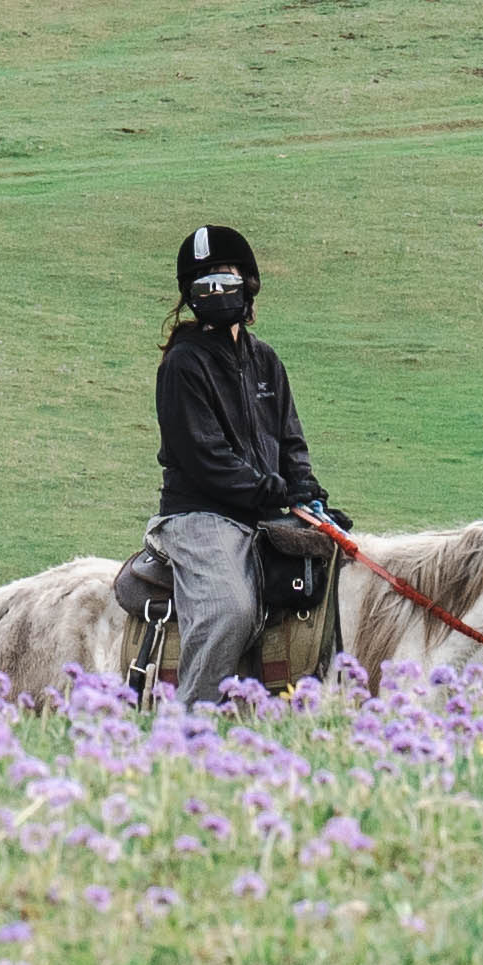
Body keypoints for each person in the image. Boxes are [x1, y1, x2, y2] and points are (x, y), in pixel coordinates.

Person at [143, 221, 336, 698]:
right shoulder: (182, 365)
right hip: (202, 517)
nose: (215, 291)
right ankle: (188, 723)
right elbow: (207, 457)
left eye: (224, 280)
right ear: (190, 295)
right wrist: (272, 491)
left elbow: (290, 441)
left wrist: (306, 492)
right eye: (203, 284)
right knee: (230, 609)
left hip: (265, 512)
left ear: (247, 285)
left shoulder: (266, 360)